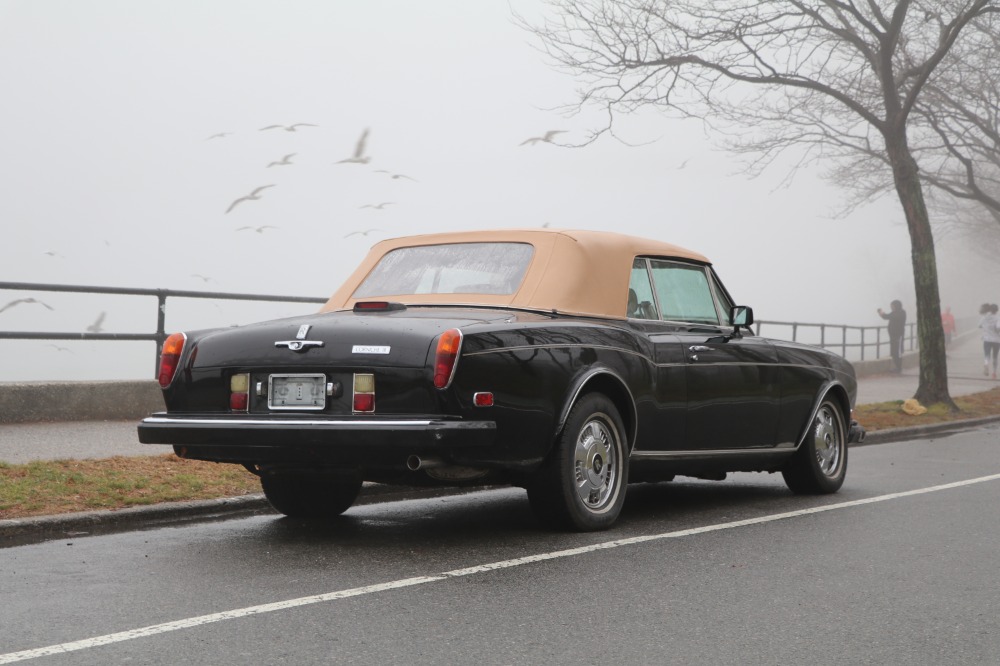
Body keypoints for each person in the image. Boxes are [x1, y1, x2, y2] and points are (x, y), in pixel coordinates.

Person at [877, 300, 906, 373]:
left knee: (898, 352)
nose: (891, 308)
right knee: (893, 352)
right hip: (893, 336)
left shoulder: (901, 313)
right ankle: (897, 367)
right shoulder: (894, 313)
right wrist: (881, 313)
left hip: (898, 336)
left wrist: (882, 313)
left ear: (896, 306)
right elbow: (886, 317)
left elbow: (889, 316)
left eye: (892, 306)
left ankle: (899, 368)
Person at [980, 303, 1000, 380]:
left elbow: (979, 325)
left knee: (987, 354)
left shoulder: (984, 317)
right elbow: (998, 327)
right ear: (997, 310)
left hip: (987, 339)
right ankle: (994, 373)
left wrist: (986, 327)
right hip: (996, 340)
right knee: (995, 356)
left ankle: (986, 364)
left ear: (990, 310)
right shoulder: (998, 318)